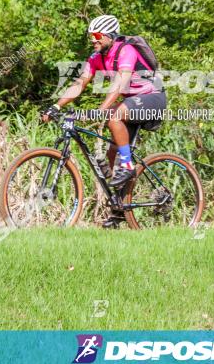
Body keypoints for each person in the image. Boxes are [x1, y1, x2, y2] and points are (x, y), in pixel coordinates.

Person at [41, 15, 166, 226]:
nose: (93, 40)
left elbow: (120, 82)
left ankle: (128, 166)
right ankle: (120, 207)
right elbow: (80, 83)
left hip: (153, 98)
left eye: (97, 35)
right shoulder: (96, 57)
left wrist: (102, 109)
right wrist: (56, 106)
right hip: (133, 102)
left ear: (109, 35)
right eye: (91, 36)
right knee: (111, 154)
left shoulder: (126, 50)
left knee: (113, 117)